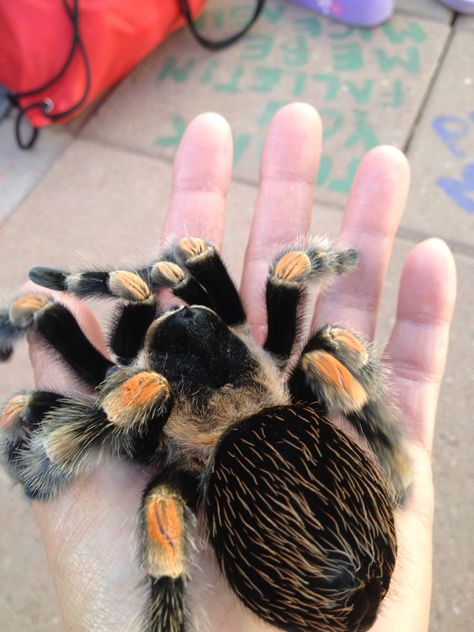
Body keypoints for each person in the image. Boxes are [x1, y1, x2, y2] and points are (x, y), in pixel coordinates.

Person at [27, 104, 455, 631]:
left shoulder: (146, 406)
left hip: (286, 490)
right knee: (329, 340)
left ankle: (169, 619)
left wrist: (53, 457)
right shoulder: (266, 350)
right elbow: (285, 270)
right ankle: (395, 462)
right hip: (308, 487)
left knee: (162, 498)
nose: (176, 305)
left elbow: (129, 394)